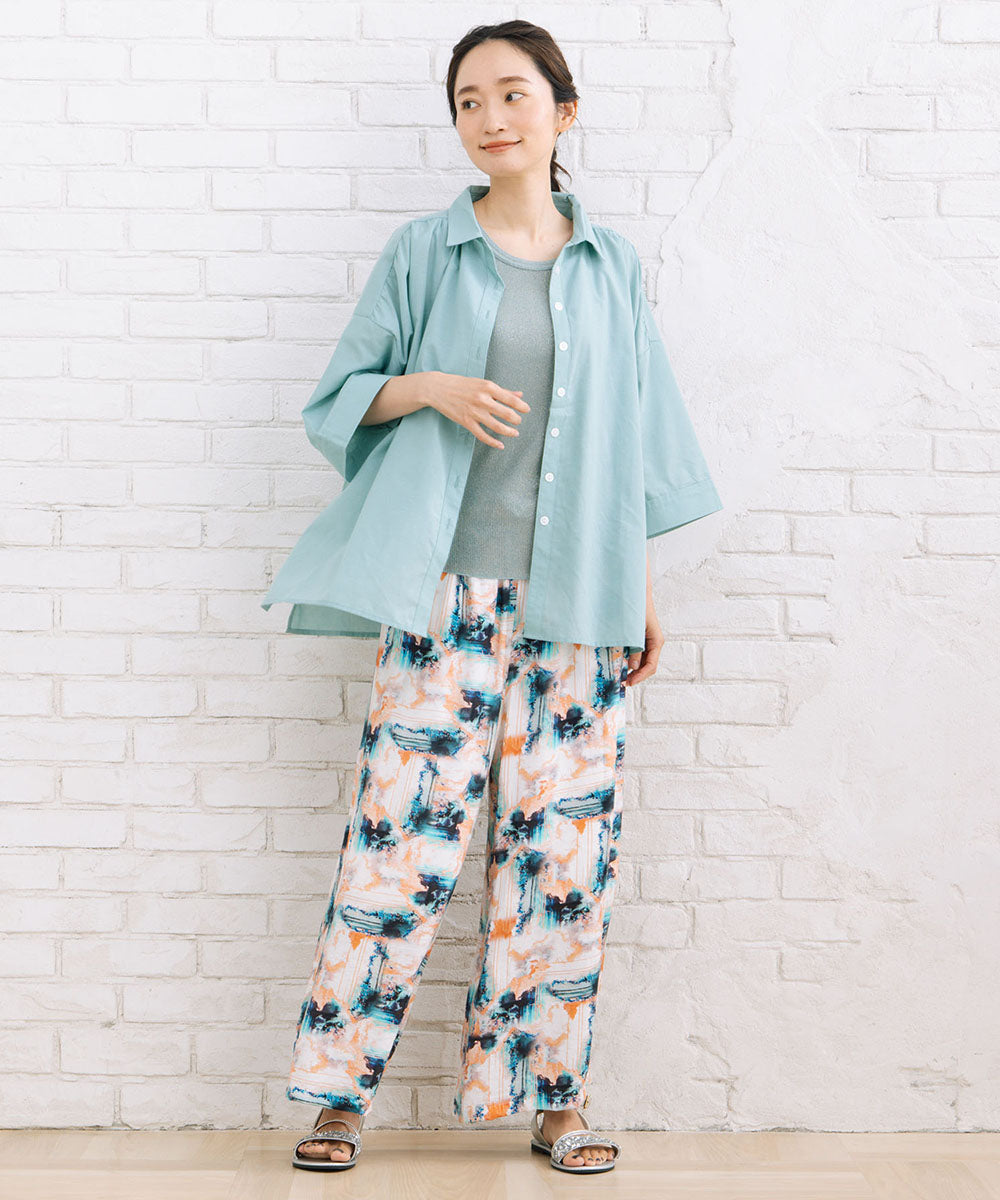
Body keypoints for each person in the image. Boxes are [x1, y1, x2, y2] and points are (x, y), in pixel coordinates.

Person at [266, 19, 723, 1177]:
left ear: (562, 113)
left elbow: (633, 445)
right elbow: (339, 396)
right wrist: (428, 385)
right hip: (442, 601)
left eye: (512, 94)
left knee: (561, 858)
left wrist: (640, 590)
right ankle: (338, 1099)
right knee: (398, 847)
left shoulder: (611, 267)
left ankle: (553, 1100)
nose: (489, 117)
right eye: (468, 100)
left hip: (581, 600)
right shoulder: (425, 252)